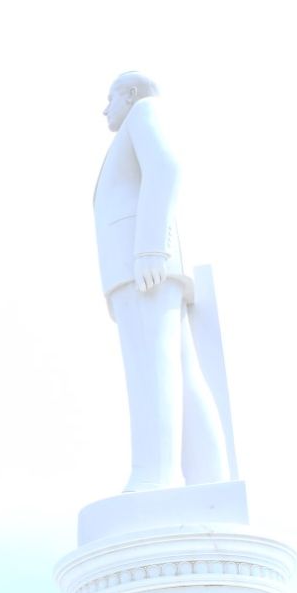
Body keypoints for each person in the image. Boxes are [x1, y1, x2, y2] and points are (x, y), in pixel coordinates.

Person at [94, 71, 228, 492]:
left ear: (130, 95)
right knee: (178, 369)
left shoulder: (144, 112)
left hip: (144, 265)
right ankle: (209, 477)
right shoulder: (135, 124)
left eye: (111, 98)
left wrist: (150, 248)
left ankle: (154, 475)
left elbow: (165, 167)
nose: (105, 109)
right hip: (140, 265)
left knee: (151, 366)